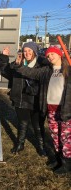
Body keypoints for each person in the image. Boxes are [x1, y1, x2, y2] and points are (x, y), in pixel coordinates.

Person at [14, 45, 71, 175]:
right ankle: (59, 160)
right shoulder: (46, 71)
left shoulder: (68, 70)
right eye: (48, 55)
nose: (50, 57)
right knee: (55, 137)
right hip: (51, 110)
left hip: (65, 110)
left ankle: (68, 164)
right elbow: (31, 72)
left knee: (66, 139)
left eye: (53, 54)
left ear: (59, 54)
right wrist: (19, 66)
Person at [0, 42, 48, 156]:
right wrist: (4, 56)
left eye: (30, 50)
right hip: (20, 99)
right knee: (22, 123)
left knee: (37, 125)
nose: (27, 53)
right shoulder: (17, 63)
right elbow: (2, 70)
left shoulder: (42, 65)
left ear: (34, 51)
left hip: (36, 100)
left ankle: (41, 146)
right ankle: (20, 144)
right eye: (25, 51)